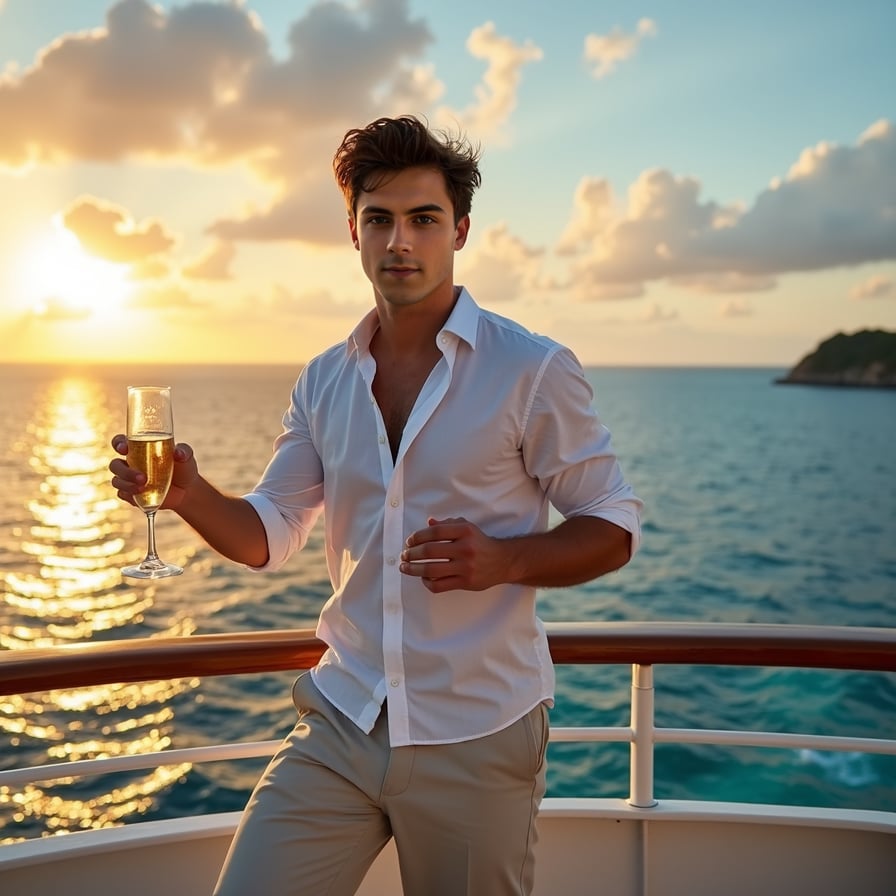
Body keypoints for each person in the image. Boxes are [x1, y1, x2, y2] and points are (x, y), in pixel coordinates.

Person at [110, 115, 642, 896]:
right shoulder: (325, 380)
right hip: (343, 718)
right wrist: (191, 496)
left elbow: (615, 524)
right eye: (380, 219)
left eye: (424, 219)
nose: (401, 241)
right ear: (352, 231)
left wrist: (503, 560)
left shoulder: (532, 370)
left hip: (477, 728)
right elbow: (269, 534)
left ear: (459, 230)